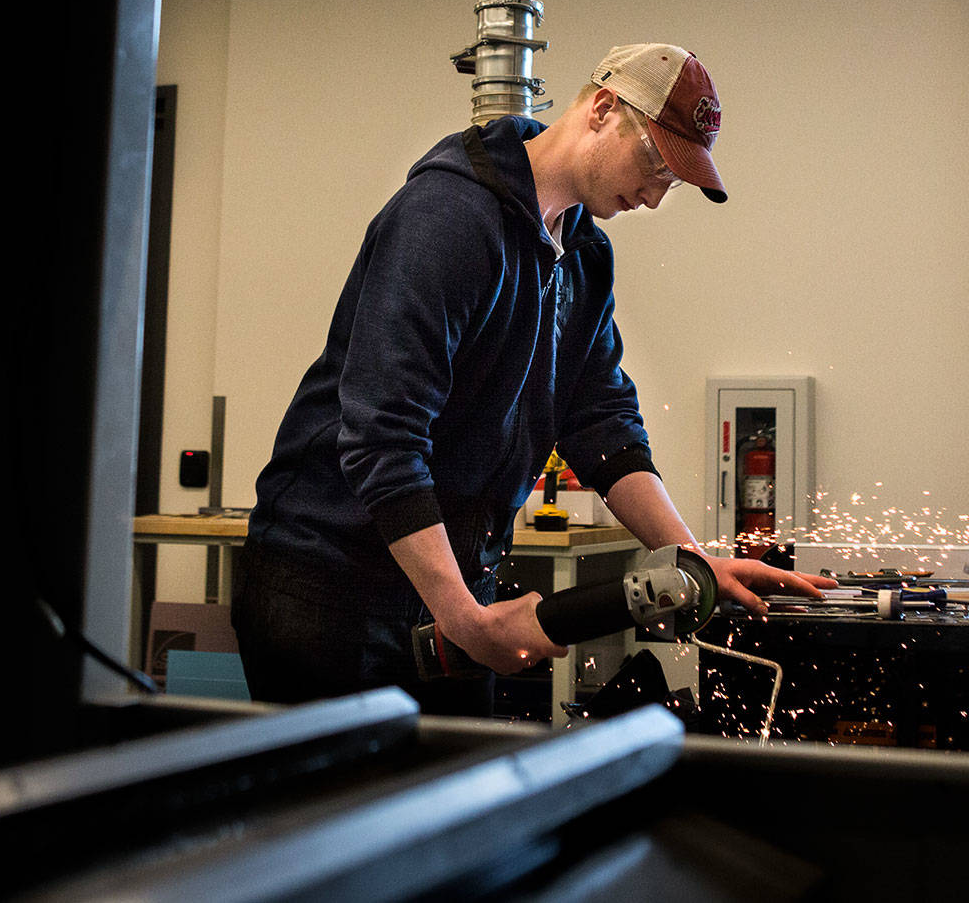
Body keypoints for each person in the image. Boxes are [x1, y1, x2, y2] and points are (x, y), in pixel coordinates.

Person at [232, 44, 834, 713]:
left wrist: (692, 561)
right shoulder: (447, 220)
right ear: (602, 109)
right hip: (331, 588)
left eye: (676, 183)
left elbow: (601, 420)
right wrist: (463, 616)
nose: (657, 198)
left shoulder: (583, 255)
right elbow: (382, 437)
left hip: (447, 587)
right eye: (656, 164)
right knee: (351, 815)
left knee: (469, 806)